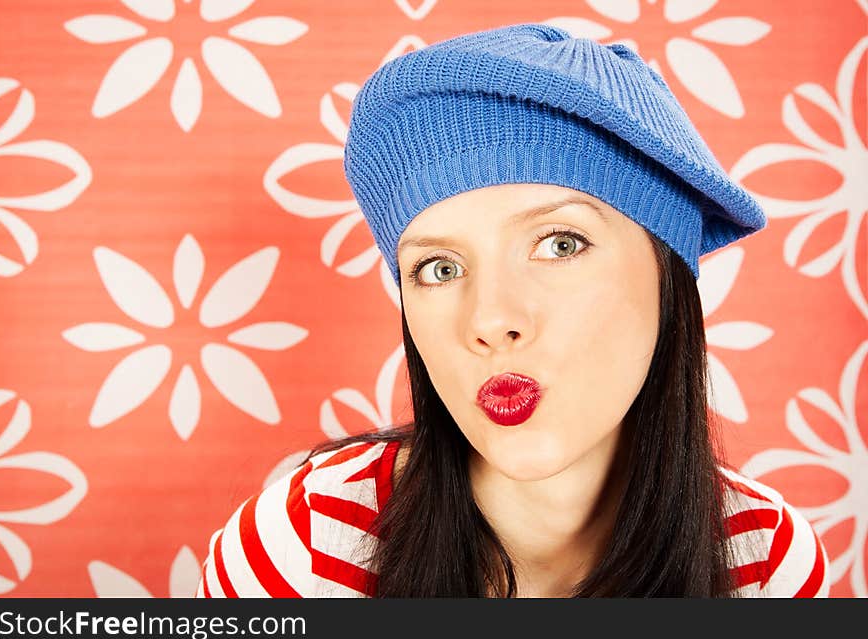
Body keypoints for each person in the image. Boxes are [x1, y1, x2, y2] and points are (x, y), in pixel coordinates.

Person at [195, 23, 830, 598]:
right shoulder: (303, 550)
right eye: (440, 269)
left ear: (670, 278)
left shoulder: (762, 562)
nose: (490, 320)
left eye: (560, 244)